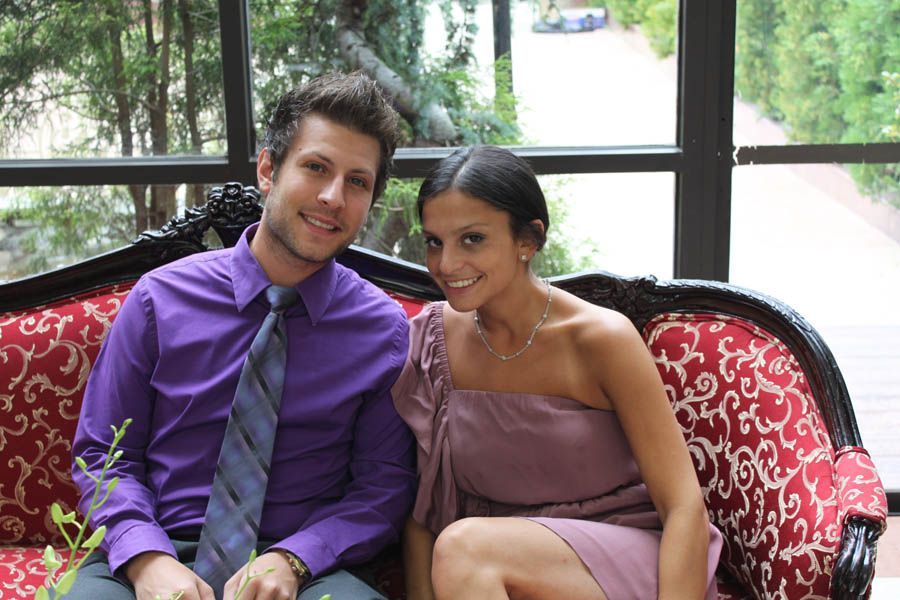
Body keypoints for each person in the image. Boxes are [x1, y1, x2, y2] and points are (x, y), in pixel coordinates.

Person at [70, 72, 416, 600]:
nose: (332, 196)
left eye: (357, 181)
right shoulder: (158, 300)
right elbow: (103, 454)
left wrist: (295, 559)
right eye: (316, 167)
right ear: (267, 170)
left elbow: (382, 487)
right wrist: (146, 558)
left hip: (304, 567)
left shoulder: (383, 330)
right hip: (159, 549)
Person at [393, 145, 723, 599]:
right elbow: (423, 514)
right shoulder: (433, 340)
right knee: (463, 550)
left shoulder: (600, 339)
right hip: (498, 574)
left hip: (621, 563)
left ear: (528, 241)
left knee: (465, 548)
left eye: (472, 239)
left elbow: (684, 505)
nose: (446, 265)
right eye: (435, 241)